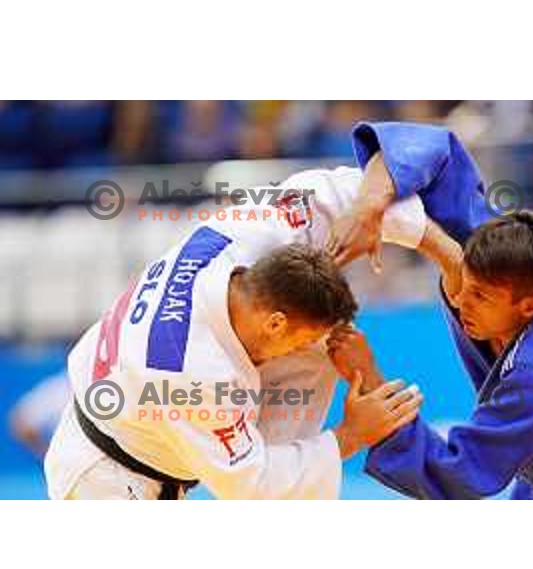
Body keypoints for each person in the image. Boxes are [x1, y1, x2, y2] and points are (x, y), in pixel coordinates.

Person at [45, 160, 426, 500]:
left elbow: (334, 190)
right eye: (305, 338)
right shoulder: (191, 370)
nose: (309, 347)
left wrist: (446, 253)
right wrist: (352, 435)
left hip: (128, 443)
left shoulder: (235, 238)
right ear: (275, 322)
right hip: (108, 481)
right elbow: (249, 484)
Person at [327, 120, 533, 499]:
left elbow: (458, 473)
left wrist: (367, 376)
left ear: (531, 306)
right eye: (464, 284)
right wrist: (368, 207)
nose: (460, 301)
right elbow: (434, 148)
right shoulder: (507, 254)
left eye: (480, 297)